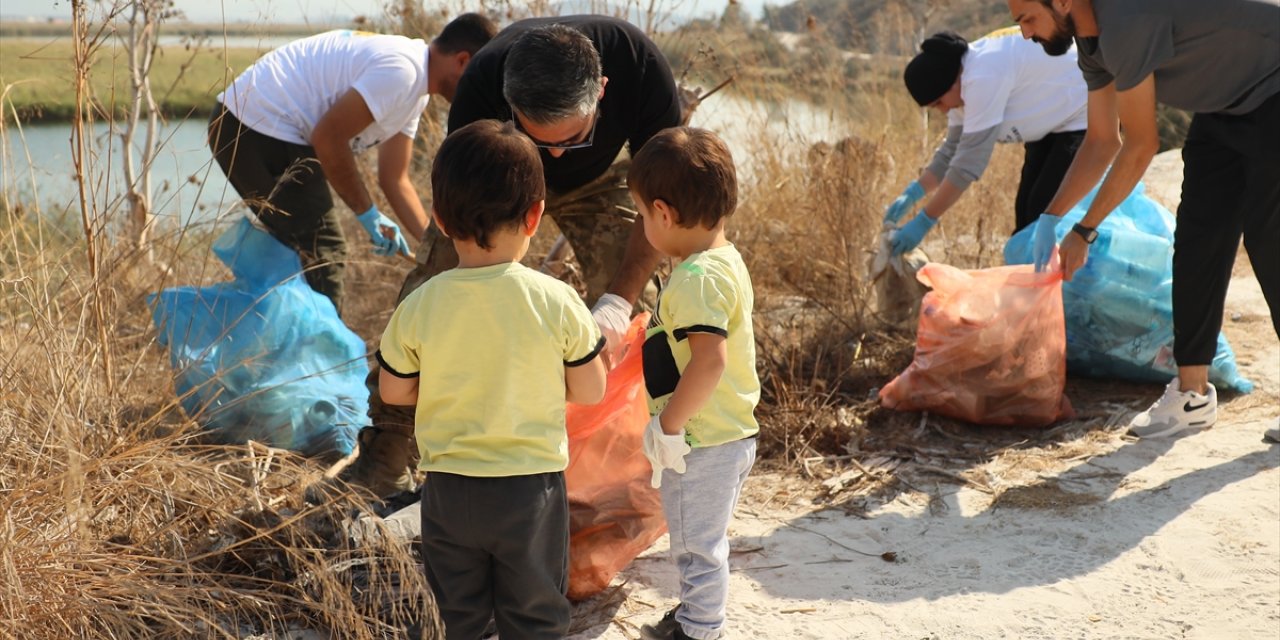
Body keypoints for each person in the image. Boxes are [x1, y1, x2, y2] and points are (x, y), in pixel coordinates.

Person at [343, 15, 683, 498]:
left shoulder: (641, 68)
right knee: (432, 290)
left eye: (572, 138)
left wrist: (617, 300)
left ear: (602, 90)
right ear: (509, 105)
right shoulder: (481, 86)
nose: (559, 156)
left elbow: (659, 203)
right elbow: (465, 207)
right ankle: (389, 453)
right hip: (504, 182)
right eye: (543, 141)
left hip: (605, 180)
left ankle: (626, 457)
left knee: (640, 309)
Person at [1006, 0, 1280, 441]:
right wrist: (1050, 218)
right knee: (1196, 242)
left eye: (1027, 19)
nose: (1025, 33)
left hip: (1273, 84)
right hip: (1227, 105)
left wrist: (1084, 231)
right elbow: (1100, 141)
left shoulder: (1124, 23)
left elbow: (1140, 144)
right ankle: (1192, 397)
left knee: (1270, 241)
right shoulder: (1092, 46)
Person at [376, 119, 608, 638]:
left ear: (438, 217)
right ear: (535, 215)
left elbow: (392, 391)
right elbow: (592, 390)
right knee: (534, 616)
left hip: (448, 492)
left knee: (458, 618)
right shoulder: (555, 300)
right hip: (530, 493)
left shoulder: (421, 304)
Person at [208, 13, 497, 314]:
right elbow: (329, 139)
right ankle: (324, 355)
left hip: (254, 124)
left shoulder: (415, 91)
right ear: (463, 61)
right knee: (325, 250)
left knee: (301, 250)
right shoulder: (403, 71)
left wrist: (437, 247)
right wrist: (367, 214)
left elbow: (394, 179)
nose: (476, 91)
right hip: (253, 123)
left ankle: (270, 346)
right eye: (479, 79)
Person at [629, 127, 760, 640]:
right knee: (697, 537)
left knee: (695, 546)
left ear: (663, 213)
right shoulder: (719, 262)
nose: (643, 225)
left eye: (641, 215)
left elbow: (709, 362)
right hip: (724, 434)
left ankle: (700, 629)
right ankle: (693, 615)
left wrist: (669, 426)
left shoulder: (698, 278)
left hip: (701, 441)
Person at [883, 28, 1087, 255]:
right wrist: (913, 194)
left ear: (950, 83)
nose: (943, 110)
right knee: (1025, 214)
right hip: (1050, 123)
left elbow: (966, 166)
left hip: (1084, 112)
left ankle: (1061, 284)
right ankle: (1031, 281)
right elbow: (950, 153)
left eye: (939, 103)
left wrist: (924, 220)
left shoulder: (982, 77)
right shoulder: (959, 86)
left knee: (1042, 212)